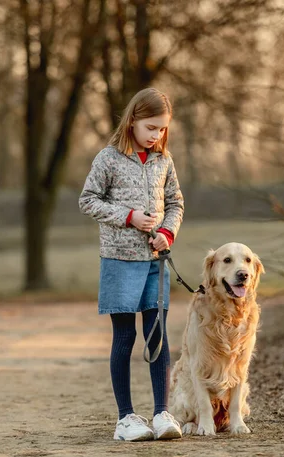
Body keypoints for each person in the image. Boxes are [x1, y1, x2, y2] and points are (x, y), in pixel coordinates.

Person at [79, 87, 184, 441]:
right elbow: (88, 201)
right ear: (133, 121)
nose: (157, 136)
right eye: (151, 127)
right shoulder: (108, 159)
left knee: (158, 336)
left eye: (162, 129)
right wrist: (128, 216)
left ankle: (161, 414)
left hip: (156, 261)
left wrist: (166, 233)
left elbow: (176, 204)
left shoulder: (164, 162)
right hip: (119, 261)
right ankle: (126, 418)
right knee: (125, 335)